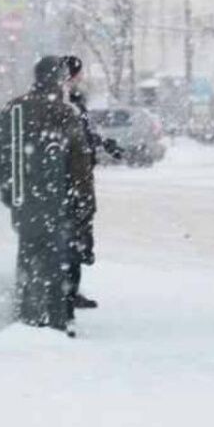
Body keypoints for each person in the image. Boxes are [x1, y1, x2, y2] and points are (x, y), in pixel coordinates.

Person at [0, 56, 91, 336]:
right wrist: (83, 201)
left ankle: (27, 313)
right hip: (56, 199)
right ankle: (55, 318)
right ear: (59, 78)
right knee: (55, 261)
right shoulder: (64, 112)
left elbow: (1, 156)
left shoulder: (15, 110)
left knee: (27, 254)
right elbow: (78, 164)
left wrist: (10, 192)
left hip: (25, 199)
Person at [62, 55, 121, 310]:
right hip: (73, 181)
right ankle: (68, 292)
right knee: (74, 237)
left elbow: (83, 134)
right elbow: (77, 138)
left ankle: (71, 290)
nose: (81, 79)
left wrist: (102, 143)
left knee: (77, 237)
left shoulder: (74, 103)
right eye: (78, 74)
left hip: (77, 179)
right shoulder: (66, 104)